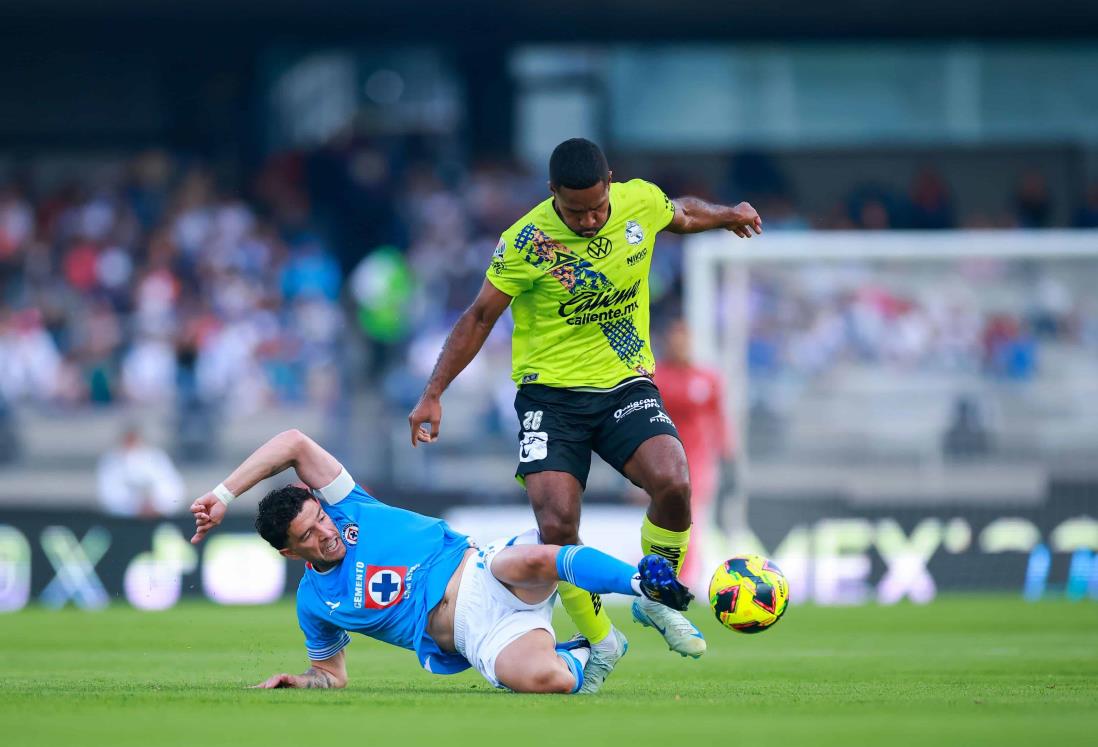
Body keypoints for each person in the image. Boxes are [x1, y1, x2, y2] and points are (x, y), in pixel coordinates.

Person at [407, 138, 761, 691]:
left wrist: (728, 214)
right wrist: (434, 393)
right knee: (556, 528)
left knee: (673, 481)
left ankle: (655, 597)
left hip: (623, 386)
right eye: (576, 212)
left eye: (597, 207)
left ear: (611, 184)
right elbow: (479, 317)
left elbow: (684, 212)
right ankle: (602, 638)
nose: (591, 219)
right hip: (550, 399)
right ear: (553, 195)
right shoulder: (525, 241)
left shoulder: (637, 201)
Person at [188, 429, 693, 694]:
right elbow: (332, 675)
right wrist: (300, 680)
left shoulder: (350, 505)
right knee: (549, 682)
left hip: (481, 570)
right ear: (288, 552)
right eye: (309, 535)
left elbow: (293, 442)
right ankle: (589, 649)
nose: (327, 533)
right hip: (477, 638)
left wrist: (223, 493)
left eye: (321, 518)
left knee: (535, 559)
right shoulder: (315, 603)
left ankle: (644, 585)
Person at [655, 319, 736, 589]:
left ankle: (684, 578)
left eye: (685, 339)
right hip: (663, 458)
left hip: (699, 460)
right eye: (675, 339)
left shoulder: (707, 378)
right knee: (665, 517)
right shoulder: (658, 377)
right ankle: (662, 572)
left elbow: (719, 418)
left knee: (687, 515)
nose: (680, 346)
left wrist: (728, 456)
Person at [96, 425, 185, 517]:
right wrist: (135, 506)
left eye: (133, 440)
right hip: (123, 521)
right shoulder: (111, 461)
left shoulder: (157, 457)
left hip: (158, 517)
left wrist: (157, 505)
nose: (131, 445)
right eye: (128, 440)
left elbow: (173, 488)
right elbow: (108, 494)